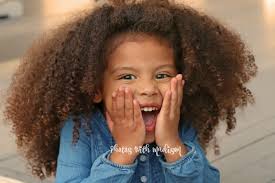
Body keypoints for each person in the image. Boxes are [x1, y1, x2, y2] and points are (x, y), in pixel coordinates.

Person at [3, 0, 257, 182]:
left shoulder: (176, 124)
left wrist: (171, 144)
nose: (147, 89)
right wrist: (124, 150)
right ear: (96, 89)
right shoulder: (81, 128)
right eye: (127, 76)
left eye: (162, 75)